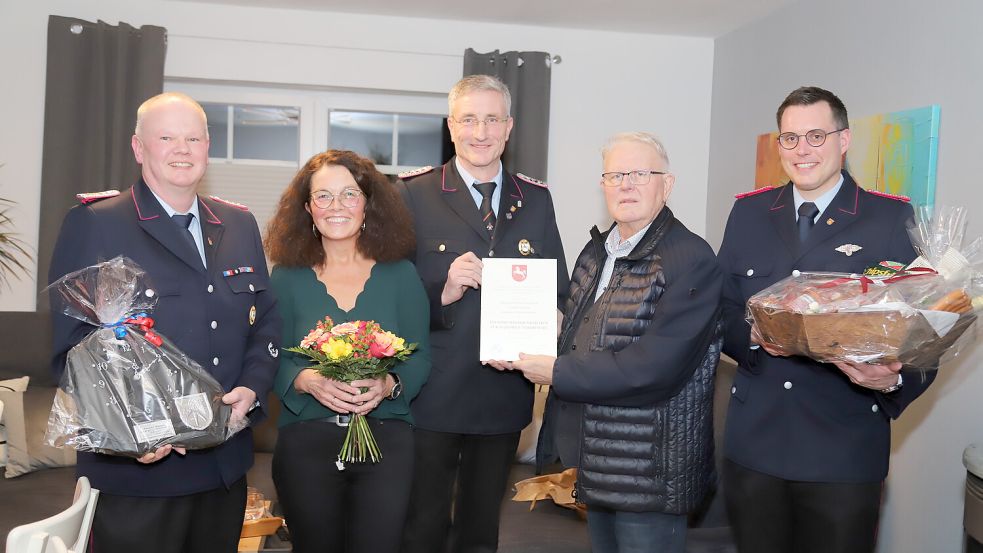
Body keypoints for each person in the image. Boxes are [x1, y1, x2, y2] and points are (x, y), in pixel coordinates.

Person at [48, 92, 282, 553]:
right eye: (167, 137)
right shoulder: (97, 223)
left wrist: (254, 386)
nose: (182, 148)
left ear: (207, 146)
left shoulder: (238, 223)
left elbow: (266, 319)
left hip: (224, 467)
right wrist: (131, 432)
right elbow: (73, 346)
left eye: (193, 137)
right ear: (139, 148)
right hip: (138, 472)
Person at [718, 86, 936, 553]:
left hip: (843, 450)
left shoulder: (889, 218)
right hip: (756, 446)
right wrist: (754, 335)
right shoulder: (750, 212)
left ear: (844, 140)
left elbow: (925, 332)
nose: (802, 150)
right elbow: (720, 310)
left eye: (816, 136)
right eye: (790, 138)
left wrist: (892, 383)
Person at [510, 132, 723, 553]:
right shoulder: (595, 253)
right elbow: (591, 330)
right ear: (603, 185)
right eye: (615, 174)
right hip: (597, 460)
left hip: (650, 469)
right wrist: (549, 326)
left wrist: (555, 371)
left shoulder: (690, 259)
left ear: (668, 184)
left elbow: (653, 367)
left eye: (640, 173)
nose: (626, 184)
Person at [396, 74, 569, 553]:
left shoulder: (535, 198)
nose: (480, 131)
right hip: (433, 392)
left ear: (509, 127)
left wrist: (553, 324)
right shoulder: (414, 193)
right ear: (452, 127)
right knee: (423, 524)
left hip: (503, 393)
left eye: (492, 119)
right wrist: (444, 289)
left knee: (481, 528)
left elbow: (558, 288)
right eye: (469, 119)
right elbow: (391, 298)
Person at [264, 149, 431, 553]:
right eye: (323, 196)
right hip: (305, 443)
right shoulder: (285, 277)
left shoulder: (401, 274)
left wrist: (390, 383)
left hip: (387, 441)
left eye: (349, 195)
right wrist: (302, 379)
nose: (336, 207)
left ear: (368, 204)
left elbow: (421, 355)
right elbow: (268, 353)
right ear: (307, 208)